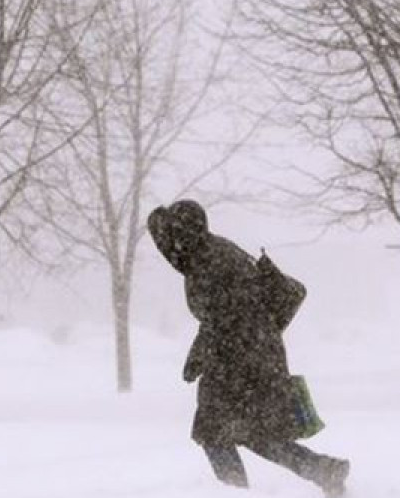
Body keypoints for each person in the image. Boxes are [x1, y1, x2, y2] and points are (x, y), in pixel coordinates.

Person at [147, 199, 349, 497]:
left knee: (214, 431)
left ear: (190, 232)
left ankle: (235, 493)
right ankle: (324, 470)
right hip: (254, 352)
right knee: (257, 434)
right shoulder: (207, 253)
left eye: (178, 234)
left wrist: (199, 354)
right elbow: (178, 260)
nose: (174, 242)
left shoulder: (210, 262)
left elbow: (225, 316)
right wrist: (158, 221)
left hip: (240, 356)